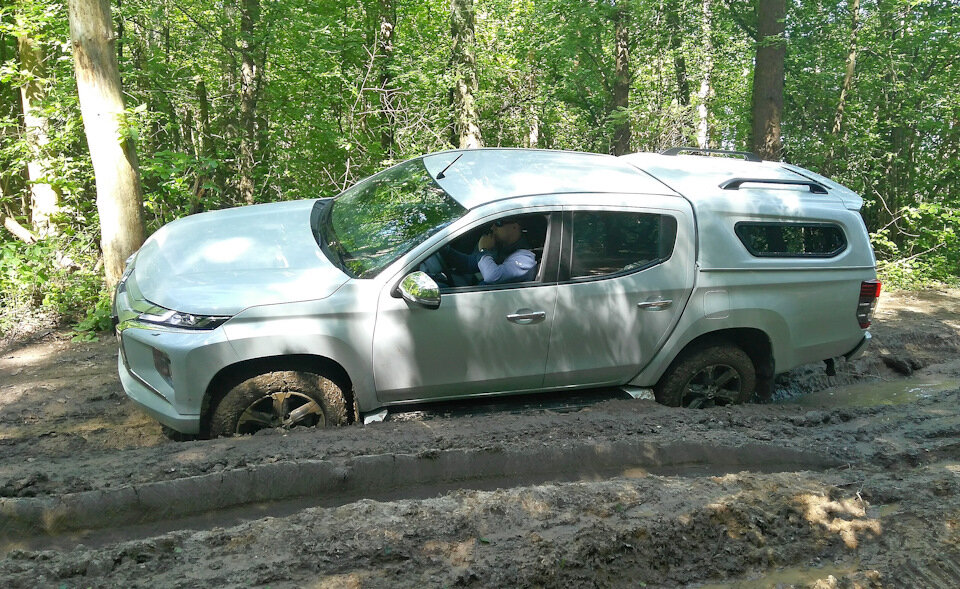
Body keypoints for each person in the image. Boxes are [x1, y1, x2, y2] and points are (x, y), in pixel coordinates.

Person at [444, 216, 538, 285]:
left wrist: (484, 250)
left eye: (498, 223)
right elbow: (468, 263)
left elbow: (492, 277)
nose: (493, 228)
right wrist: (445, 250)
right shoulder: (501, 248)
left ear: (515, 227)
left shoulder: (525, 258)